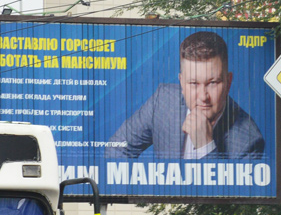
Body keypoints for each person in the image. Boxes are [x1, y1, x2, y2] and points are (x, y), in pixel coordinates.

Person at [109, 30, 264, 159]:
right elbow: (116, 148)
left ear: (228, 82)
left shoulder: (249, 140)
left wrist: (206, 146)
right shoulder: (163, 100)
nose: (203, 97)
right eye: (194, 83)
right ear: (182, 82)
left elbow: (229, 195)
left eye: (213, 83)